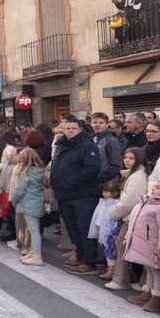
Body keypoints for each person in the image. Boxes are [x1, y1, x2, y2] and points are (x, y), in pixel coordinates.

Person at [50, 117, 102, 274]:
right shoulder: (61, 145)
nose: (70, 130)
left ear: (80, 130)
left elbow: (92, 169)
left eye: (73, 128)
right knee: (72, 228)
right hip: (64, 194)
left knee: (84, 228)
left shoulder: (87, 145)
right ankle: (80, 257)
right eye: (67, 128)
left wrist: (71, 182)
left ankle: (89, 262)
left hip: (82, 194)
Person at [122, 180, 160, 312]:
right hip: (144, 244)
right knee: (149, 269)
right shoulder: (143, 204)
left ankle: (157, 297)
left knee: (157, 270)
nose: (154, 189)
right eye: (153, 187)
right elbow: (132, 224)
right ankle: (147, 292)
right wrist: (127, 237)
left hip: (154, 245)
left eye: (158, 188)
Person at [103, 148, 148, 284]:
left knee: (121, 244)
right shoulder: (132, 174)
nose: (127, 160)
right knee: (122, 244)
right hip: (130, 216)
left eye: (131, 158)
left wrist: (113, 212)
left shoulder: (137, 176)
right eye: (126, 157)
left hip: (131, 217)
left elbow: (130, 201)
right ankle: (130, 280)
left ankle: (121, 280)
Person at [9, 148, 46, 265]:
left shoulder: (26, 173)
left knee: (33, 230)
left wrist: (14, 200)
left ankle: (37, 256)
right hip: (36, 203)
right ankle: (33, 252)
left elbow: (20, 190)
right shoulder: (40, 171)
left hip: (27, 204)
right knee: (34, 229)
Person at [90, 180, 122, 278]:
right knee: (108, 251)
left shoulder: (116, 204)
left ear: (115, 193)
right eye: (103, 191)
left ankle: (111, 270)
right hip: (104, 230)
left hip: (111, 232)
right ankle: (110, 269)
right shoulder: (104, 202)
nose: (103, 193)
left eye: (106, 192)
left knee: (111, 252)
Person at [90, 113, 123, 183]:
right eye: (95, 122)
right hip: (91, 182)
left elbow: (115, 165)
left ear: (107, 125)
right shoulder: (90, 139)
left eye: (101, 123)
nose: (97, 125)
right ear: (91, 124)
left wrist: (100, 179)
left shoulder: (111, 141)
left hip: (106, 183)